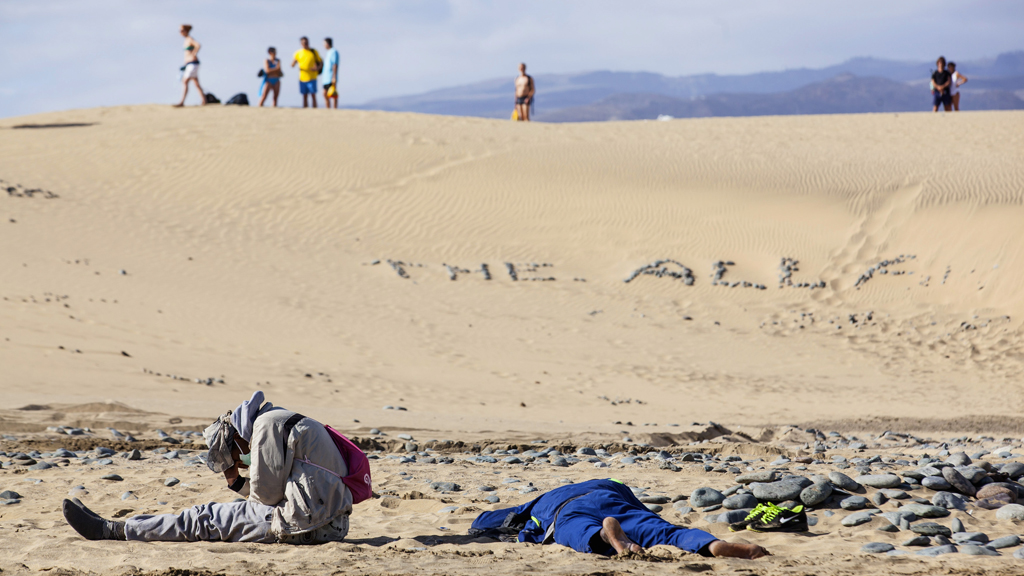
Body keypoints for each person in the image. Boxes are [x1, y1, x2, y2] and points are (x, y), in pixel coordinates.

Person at [62, 391, 354, 544]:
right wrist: (238, 483)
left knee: (203, 518)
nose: (239, 457)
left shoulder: (266, 426)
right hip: (329, 523)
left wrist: (237, 481)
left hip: (305, 524)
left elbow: (266, 499)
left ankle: (111, 531)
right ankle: (125, 525)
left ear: (239, 435)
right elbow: (277, 493)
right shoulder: (282, 419)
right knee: (207, 516)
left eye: (232, 451)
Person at [470, 479, 771, 559]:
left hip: (569, 510)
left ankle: (606, 537)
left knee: (579, 533)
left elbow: (489, 520)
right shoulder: (612, 482)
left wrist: (481, 523)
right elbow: (641, 510)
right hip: (614, 500)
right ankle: (713, 545)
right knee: (665, 532)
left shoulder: (545, 499)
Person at [174, 24, 206, 107]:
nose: (180, 32)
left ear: (186, 31)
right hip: (189, 64)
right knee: (196, 83)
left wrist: (194, 53)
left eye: (181, 30)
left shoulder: (190, 39)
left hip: (193, 63)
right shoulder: (186, 40)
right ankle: (204, 100)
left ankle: (182, 102)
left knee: (185, 81)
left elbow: (198, 45)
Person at [292, 37, 322, 108]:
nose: (306, 44)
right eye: (304, 43)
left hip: (312, 77)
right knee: (304, 95)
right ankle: (305, 111)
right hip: (302, 77)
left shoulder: (313, 51)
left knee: (313, 95)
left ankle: (315, 110)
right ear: (301, 44)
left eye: (307, 42)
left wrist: (317, 68)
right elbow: (293, 64)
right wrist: (294, 63)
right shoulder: (298, 53)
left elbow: (320, 62)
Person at [321, 37, 340, 109]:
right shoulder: (328, 52)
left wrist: (334, 76)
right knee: (325, 94)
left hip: (330, 77)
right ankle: (328, 109)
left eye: (324, 44)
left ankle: (334, 109)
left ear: (327, 44)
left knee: (333, 94)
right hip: (325, 78)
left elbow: (335, 64)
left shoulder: (333, 52)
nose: (323, 45)